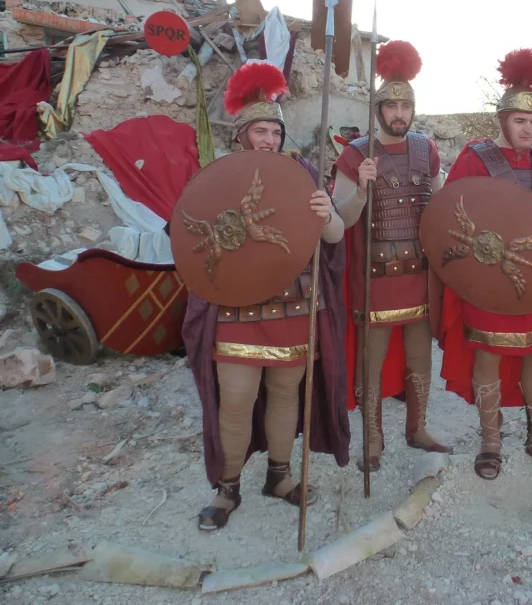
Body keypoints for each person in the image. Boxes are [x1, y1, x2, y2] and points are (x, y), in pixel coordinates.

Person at [181, 61, 351, 531]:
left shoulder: (305, 173)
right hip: (237, 303)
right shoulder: (218, 175)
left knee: (285, 394)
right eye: (260, 131)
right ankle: (228, 488)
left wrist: (325, 212)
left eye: (275, 132)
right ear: (242, 135)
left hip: (295, 303)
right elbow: (194, 242)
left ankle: (279, 477)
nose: (269, 140)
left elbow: (335, 235)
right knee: (235, 396)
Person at [436, 48, 532, 480]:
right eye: (520, 121)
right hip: (487, 276)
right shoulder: (475, 159)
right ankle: (491, 442)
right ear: (503, 120)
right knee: (487, 354)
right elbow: (451, 215)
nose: (528, 128)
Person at [332, 40, 451, 472]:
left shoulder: (427, 150)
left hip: (420, 275)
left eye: (406, 106)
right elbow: (340, 222)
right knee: (371, 362)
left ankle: (416, 428)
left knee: (421, 358)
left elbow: (440, 210)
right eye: (391, 106)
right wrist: (361, 189)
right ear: (379, 111)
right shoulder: (355, 154)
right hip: (375, 277)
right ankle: (373, 438)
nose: (399, 113)